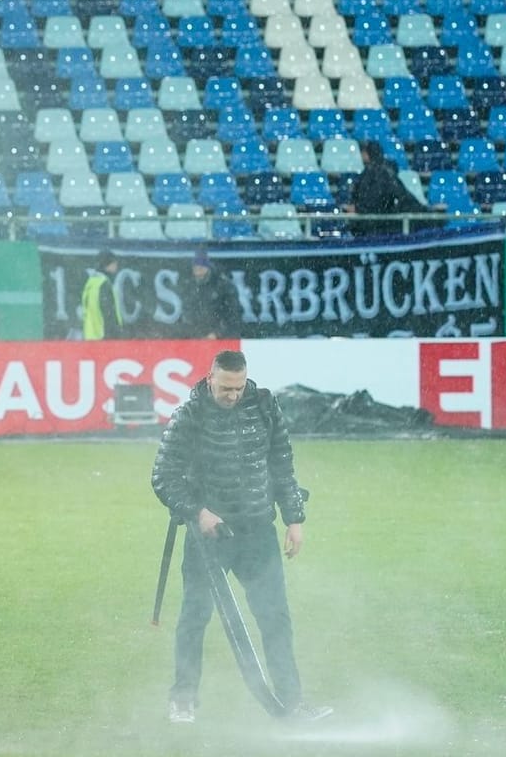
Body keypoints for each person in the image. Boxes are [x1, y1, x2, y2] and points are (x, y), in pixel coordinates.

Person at [151, 350, 331, 726]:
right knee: (194, 616)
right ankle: (183, 699)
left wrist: (294, 519)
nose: (232, 395)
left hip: (257, 533)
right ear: (211, 377)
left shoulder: (265, 407)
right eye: (225, 387)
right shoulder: (190, 415)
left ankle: (293, 703)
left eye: (238, 387)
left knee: (275, 619)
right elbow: (163, 476)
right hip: (208, 538)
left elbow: (282, 463)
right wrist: (198, 513)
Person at [346, 140, 429, 237]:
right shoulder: (388, 172)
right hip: (386, 223)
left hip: (376, 227)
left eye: (363, 153)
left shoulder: (375, 174)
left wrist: (358, 209)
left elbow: (375, 201)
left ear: (366, 154)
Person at [179, 249, 242, 340]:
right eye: (195, 268)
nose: (198, 272)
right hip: (196, 339)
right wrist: (194, 334)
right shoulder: (190, 287)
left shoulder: (223, 286)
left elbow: (233, 314)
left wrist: (217, 333)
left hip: (223, 339)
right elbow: (187, 314)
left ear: (207, 267)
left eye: (201, 268)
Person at [79, 249, 124, 340]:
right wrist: (115, 333)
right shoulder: (104, 284)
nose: (116, 266)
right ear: (107, 265)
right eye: (114, 263)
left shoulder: (91, 283)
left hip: (90, 335)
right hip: (103, 336)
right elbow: (108, 312)